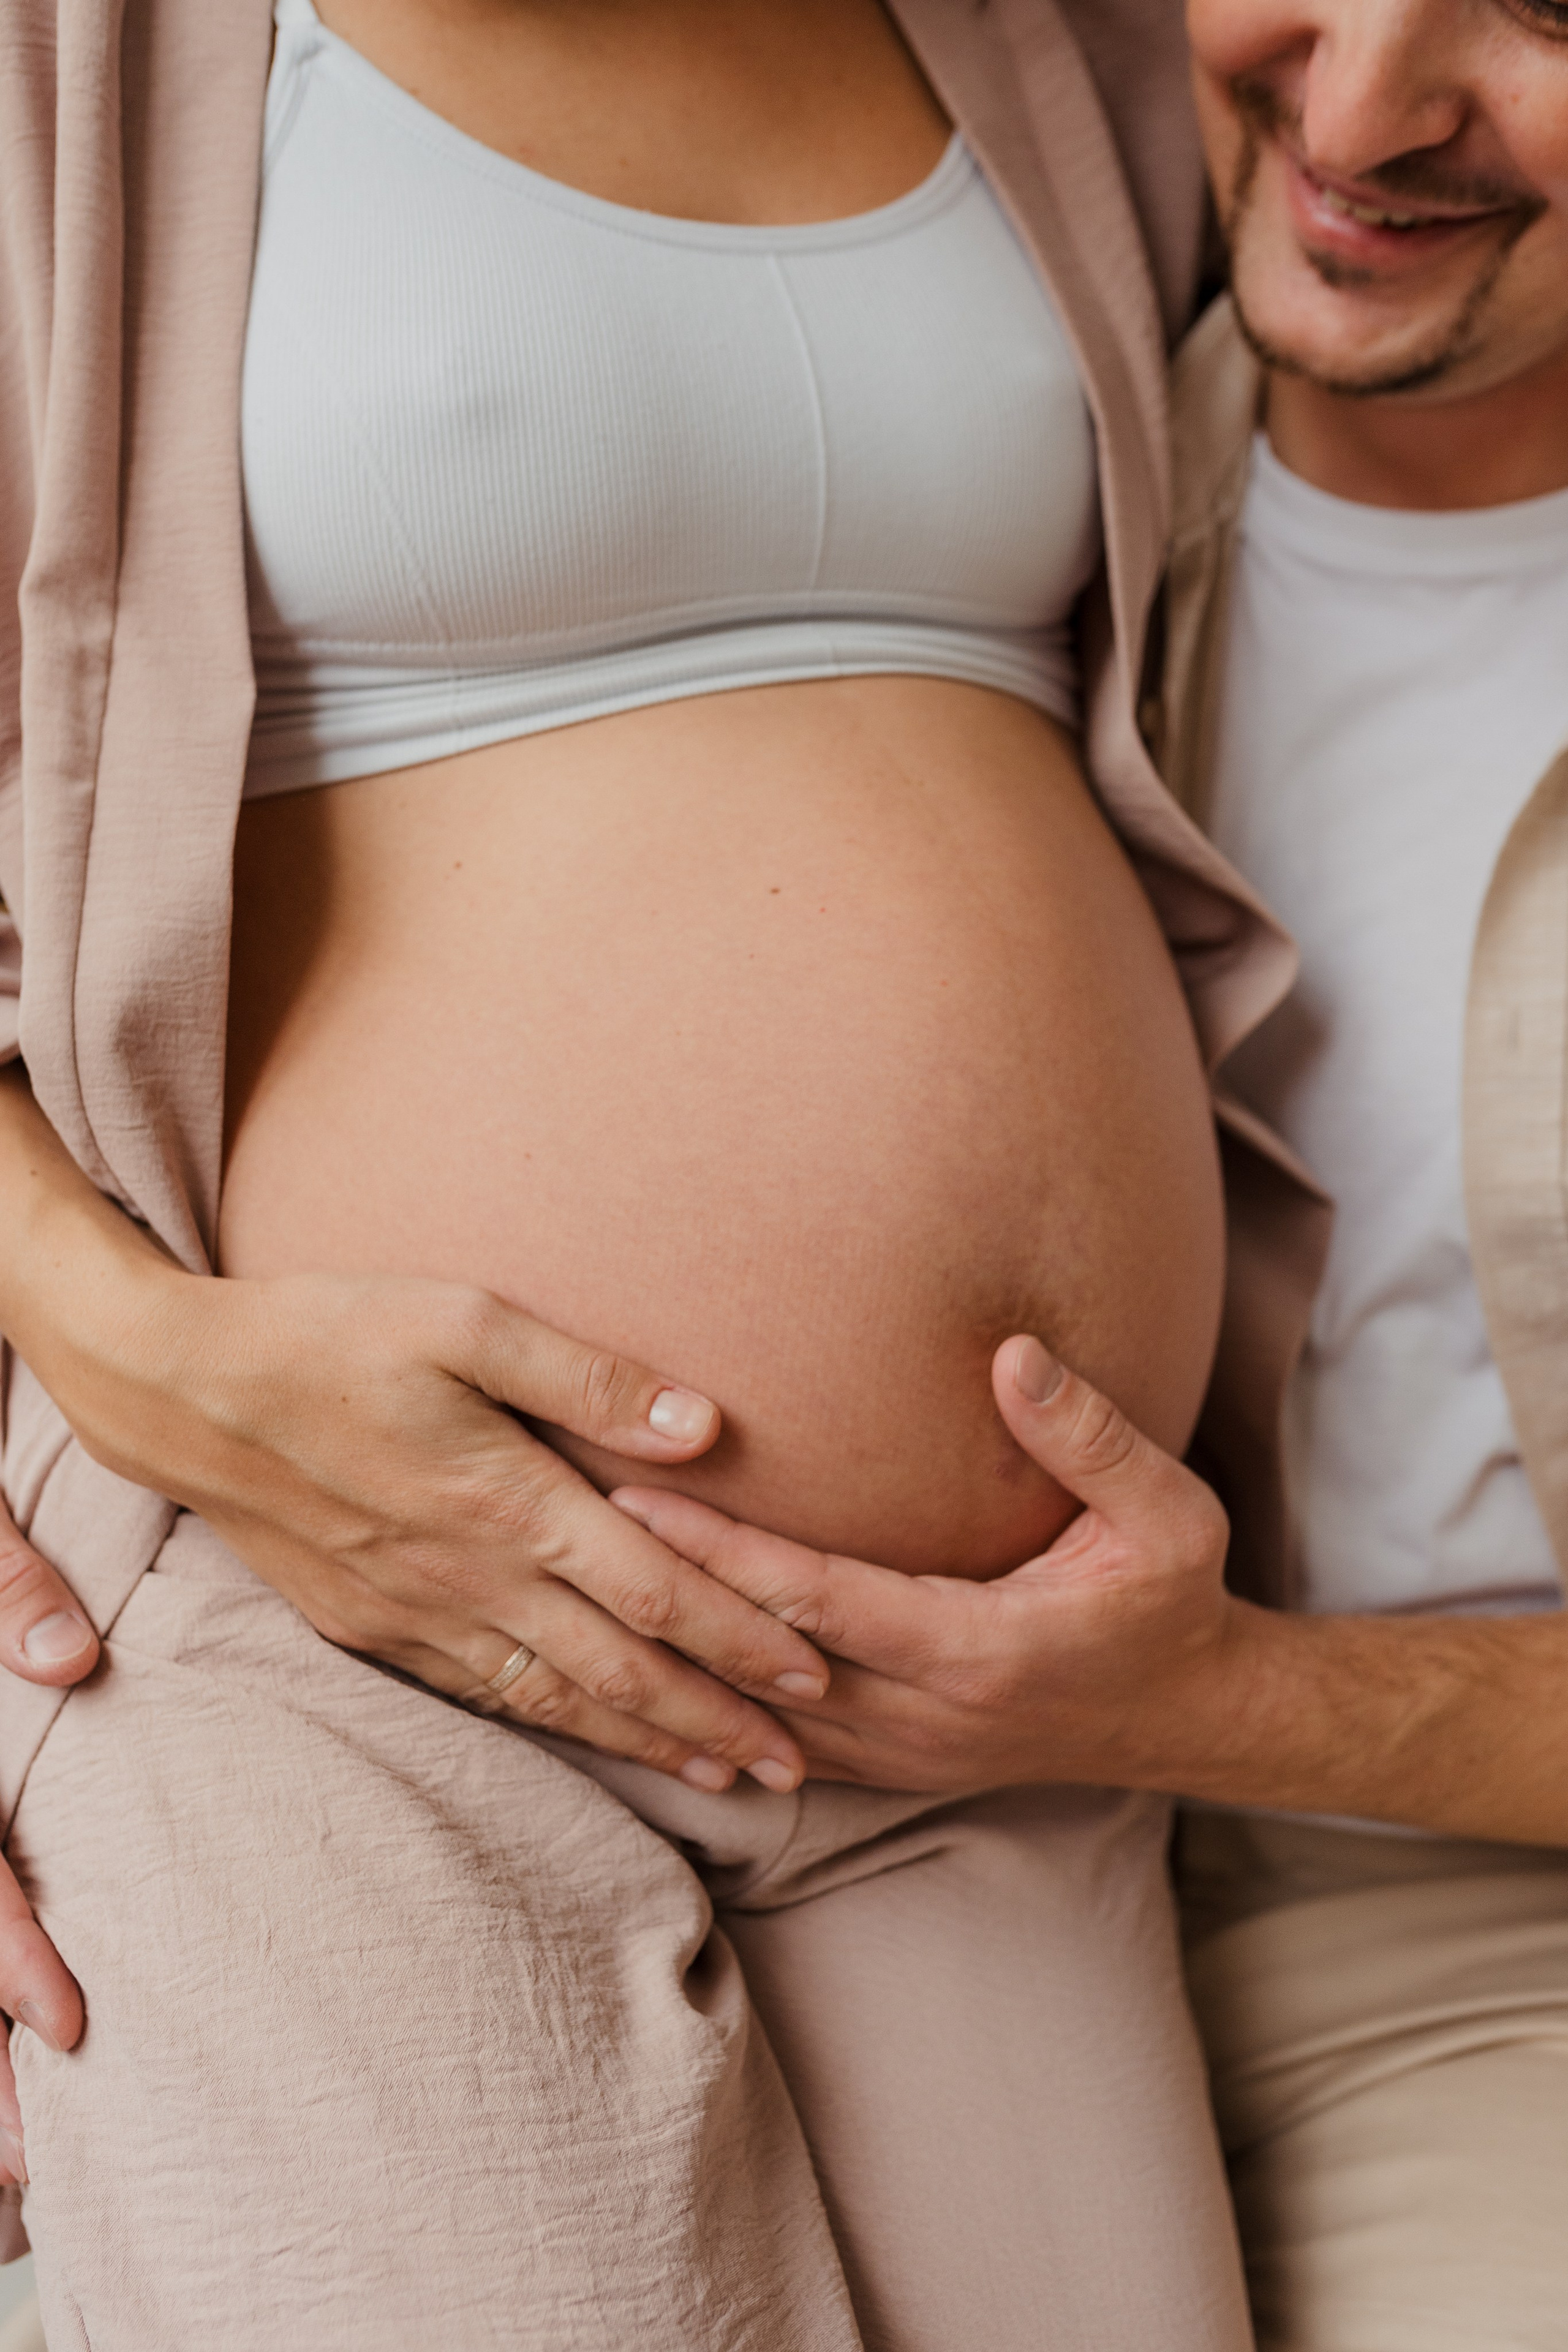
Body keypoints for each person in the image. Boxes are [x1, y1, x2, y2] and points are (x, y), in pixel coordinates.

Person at [0, 2, 1270, 2345]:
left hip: (987, 1729)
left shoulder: (1068, 44)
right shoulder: (97, 61)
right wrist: (92, 1322)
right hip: (346, 1628)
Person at [625, 0, 1568, 2341]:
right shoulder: (969, 439)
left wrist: (1212, 1706)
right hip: (855, 1845)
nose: (1361, 114)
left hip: (1461, 1916)